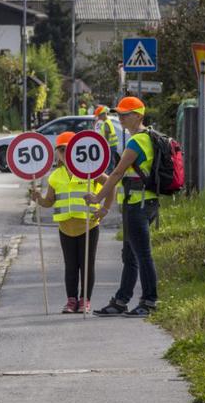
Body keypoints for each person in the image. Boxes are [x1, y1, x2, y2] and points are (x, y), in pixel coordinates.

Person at [86, 96, 159, 318]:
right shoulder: (147, 137)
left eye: (125, 114)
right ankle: (121, 300)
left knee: (142, 255)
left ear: (138, 115)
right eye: (119, 113)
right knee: (130, 255)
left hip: (138, 204)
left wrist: (98, 197)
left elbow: (117, 173)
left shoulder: (137, 142)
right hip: (142, 203)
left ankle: (149, 302)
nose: (121, 117)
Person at [30, 132, 115, 313]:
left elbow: (111, 184)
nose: (65, 153)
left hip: (88, 225)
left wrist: (105, 209)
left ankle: (85, 300)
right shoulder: (55, 176)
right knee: (70, 265)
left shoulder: (89, 170)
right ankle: (71, 301)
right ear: (57, 153)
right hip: (65, 228)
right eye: (61, 150)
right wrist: (39, 199)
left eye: (69, 149)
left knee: (87, 264)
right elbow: (49, 202)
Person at [94, 105, 120, 170]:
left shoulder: (106, 123)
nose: (98, 118)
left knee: (110, 166)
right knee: (110, 164)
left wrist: (104, 147)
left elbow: (106, 138)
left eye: (99, 116)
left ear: (103, 114)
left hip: (110, 147)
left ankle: (110, 178)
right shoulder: (107, 122)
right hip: (111, 146)